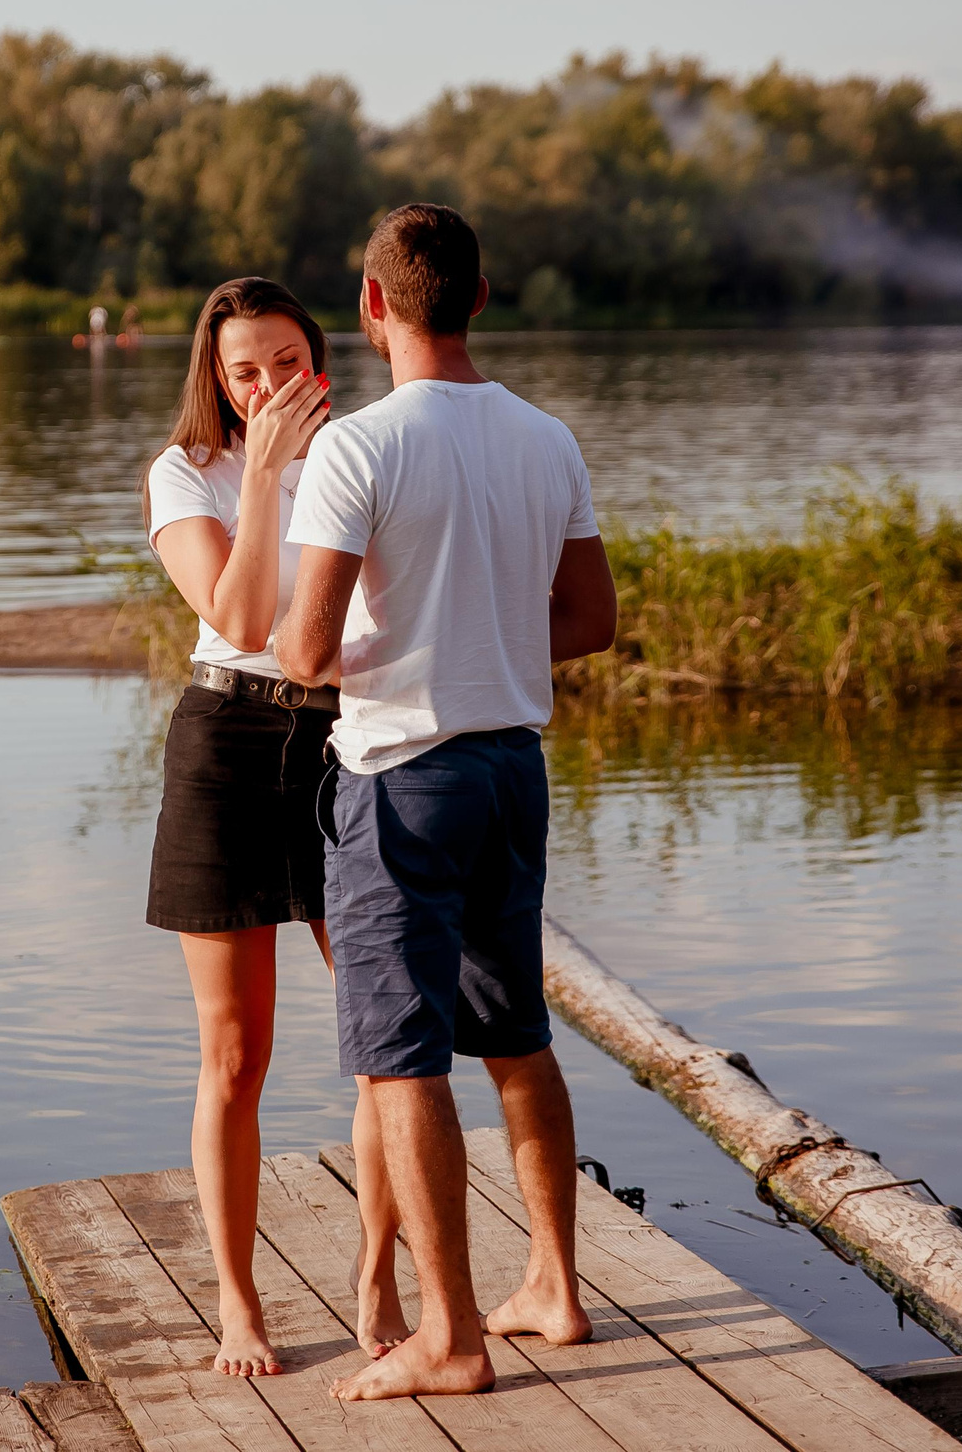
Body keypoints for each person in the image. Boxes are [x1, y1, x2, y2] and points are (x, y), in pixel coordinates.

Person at [277, 203, 619, 1402]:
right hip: (510, 771)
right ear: (480, 297)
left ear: (371, 307)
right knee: (516, 1038)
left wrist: (385, 638)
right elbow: (589, 622)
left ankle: (453, 1338)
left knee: (399, 1062)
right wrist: (473, 635)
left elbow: (308, 651)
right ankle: (557, 1293)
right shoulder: (547, 436)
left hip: (401, 781)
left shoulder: (355, 448)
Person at [143, 277, 404, 1377]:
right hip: (227, 745)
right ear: (215, 375)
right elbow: (242, 619)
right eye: (243, 369)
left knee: (386, 1043)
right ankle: (239, 1305)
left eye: (284, 363)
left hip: (349, 743)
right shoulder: (183, 472)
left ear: (319, 361)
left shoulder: (363, 454)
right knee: (235, 1054)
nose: (265, 386)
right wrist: (257, 477)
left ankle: (378, 1278)